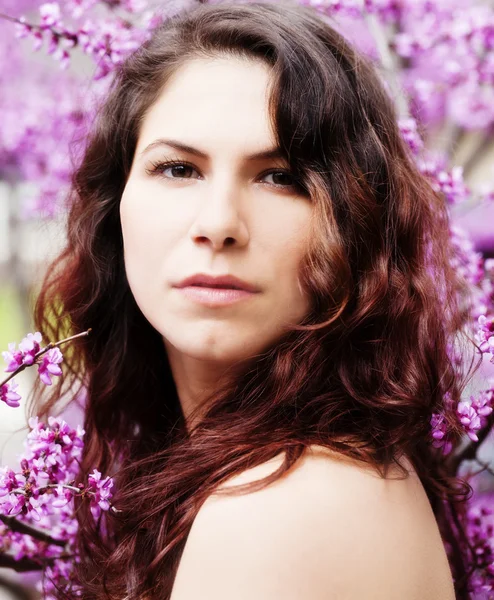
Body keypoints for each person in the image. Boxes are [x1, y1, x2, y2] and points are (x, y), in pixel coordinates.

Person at [32, 1, 474, 598]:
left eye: (280, 177)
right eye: (178, 168)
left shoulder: (279, 506)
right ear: (114, 208)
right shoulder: (323, 471)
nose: (219, 224)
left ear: (354, 224)